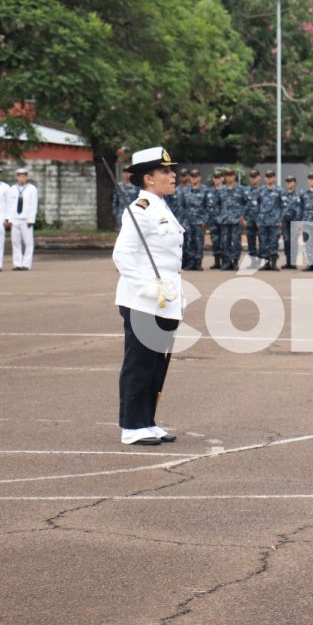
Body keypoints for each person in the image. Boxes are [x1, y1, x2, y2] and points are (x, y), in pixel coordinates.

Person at [113, 146, 185, 446]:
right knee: (139, 363)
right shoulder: (139, 210)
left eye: (171, 170)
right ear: (148, 178)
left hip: (165, 300)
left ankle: (147, 421)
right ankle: (131, 425)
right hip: (144, 300)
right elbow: (122, 255)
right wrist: (148, 287)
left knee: (156, 365)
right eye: (165, 171)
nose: (172, 175)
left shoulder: (160, 206)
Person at [8, 167, 39, 270]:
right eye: (19, 176)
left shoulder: (31, 189)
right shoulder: (12, 189)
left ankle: (26, 264)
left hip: (26, 219)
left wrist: (31, 219)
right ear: (17, 177)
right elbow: (9, 204)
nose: (21, 178)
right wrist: (9, 219)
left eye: (23, 176)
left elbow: (33, 205)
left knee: (28, 242)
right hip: (15, 218)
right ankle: (17, 263)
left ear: (26, 177)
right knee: (15, 242)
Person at [178, 169, 209, 271]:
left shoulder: (205, 190)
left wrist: (205, 220)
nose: (194, 178)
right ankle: (190, 262)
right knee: (189, 242)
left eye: (196, 176)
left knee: (199, 242)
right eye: (192, 176)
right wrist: (182, 221)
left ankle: (198, 262)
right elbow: (181, 207)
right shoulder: (185, 190)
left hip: (199, 222)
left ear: (199, 177)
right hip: (188, 221)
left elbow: (208, 206)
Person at [256, 169, 285, 271]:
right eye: (267, 176)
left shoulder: (279, 191)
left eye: (271, 176)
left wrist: (281, 219)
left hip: (275, 221)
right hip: (263, 221)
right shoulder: (260, 190)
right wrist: (258, 219)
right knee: (263, 243)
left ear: (274, 178)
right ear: (265, 178)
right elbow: (257, 205)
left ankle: (273, 263)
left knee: (274, 242)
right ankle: (265, 263)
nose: (269, 178)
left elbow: (283, 206)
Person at [281, 175, 301, 269]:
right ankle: (288, 262)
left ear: (295, 183)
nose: (289, 183)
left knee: (294, 242)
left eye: (291, 181)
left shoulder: (300, 194)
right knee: (286, 241)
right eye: (288, 181)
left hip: (295, 222)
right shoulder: (282, 195)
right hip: (285, 222)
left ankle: (293, 262)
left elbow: (302, 208)